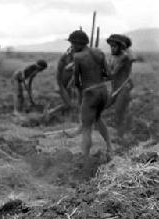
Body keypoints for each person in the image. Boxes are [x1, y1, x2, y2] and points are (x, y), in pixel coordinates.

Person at [70, 30, 112, 166]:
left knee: (86, 126)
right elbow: (109, 75)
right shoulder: (99, 52)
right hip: (103, 91)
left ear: (78, 43)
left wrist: (81, 95)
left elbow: (76, 82)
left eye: (72, 43)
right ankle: (110, 148)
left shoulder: (78, 57)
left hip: (90, 93)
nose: (71, 46)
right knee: (98, 118)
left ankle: (85, 158)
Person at [106, 34, 134, 142]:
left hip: (123, 88)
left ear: (120, 47)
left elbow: (112, 74)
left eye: (114, 46)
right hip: (115, 88)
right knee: (101, 106)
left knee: (119, 112)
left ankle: (121, 137)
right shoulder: (112, 57)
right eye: (111, 46)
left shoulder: (124, 57)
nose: (112, 48)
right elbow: (108, 73)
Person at [56, 47, 80, 115]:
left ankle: (64, 117)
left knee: (68, 105)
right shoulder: (65, 60)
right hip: (62, 86)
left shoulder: (72, 61)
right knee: (69, 105)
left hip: (67, 87)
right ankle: (49, 114)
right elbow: (59, 75)